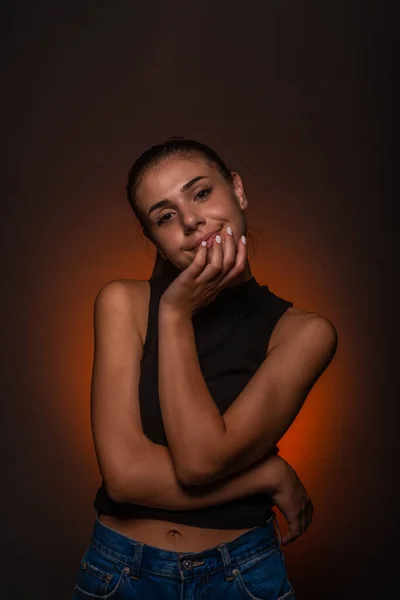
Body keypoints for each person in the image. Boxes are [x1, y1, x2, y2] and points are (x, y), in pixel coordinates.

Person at [72, 137, 337, 600]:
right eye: (165, 216)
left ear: (237, 190)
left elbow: (200, 461)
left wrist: (174, 315)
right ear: (153, 238)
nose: (191, 220)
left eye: (200, 193)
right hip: (121, 572)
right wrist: (269, 475)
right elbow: (126, 477)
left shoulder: (304, 333)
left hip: (243, 575)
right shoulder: (122, 302)